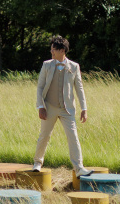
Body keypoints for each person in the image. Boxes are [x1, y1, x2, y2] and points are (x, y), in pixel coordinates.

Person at [32, 36, 92, 177]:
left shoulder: (74, 67)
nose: (51, 51)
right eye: (51, 49)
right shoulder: (46, 65)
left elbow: (79, 88)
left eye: (54, 49)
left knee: (73, 136)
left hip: (67, 109)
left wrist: (84, 108)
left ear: (62, 50)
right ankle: (37, 163)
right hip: (49, 107)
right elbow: (40, 87)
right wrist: (41, 106)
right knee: (44, 136)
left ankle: (79, 168)